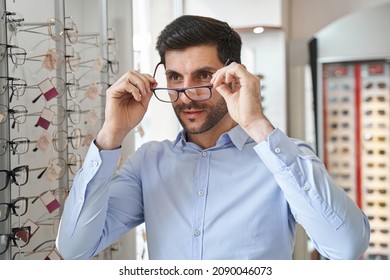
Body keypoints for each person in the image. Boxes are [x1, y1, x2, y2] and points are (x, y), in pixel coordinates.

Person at [56, 15, 370, 260]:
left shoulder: (284, 158)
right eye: (175, 77)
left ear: (235, 74)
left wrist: (255, 121)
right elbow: (74, 248)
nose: (187, 95)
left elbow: (345, 246)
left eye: (203, 76)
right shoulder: (148, 163)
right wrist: (112, 133)